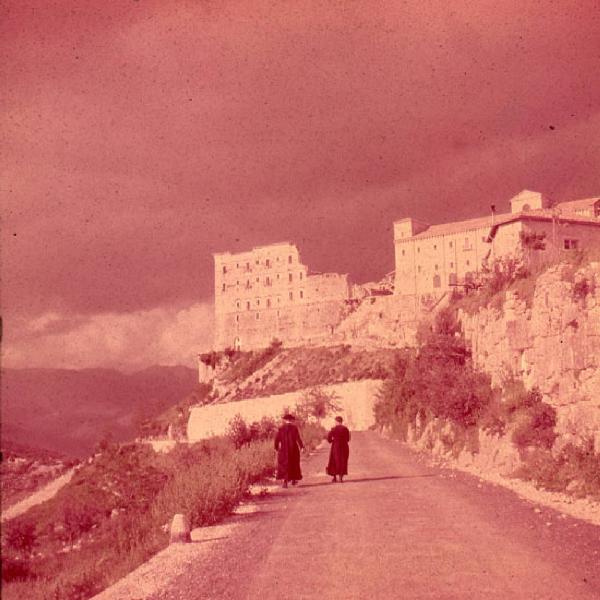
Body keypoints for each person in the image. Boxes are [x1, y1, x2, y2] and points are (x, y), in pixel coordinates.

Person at [274, 413, 304, 488]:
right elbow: (298, 438)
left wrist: (276, 447)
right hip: (293, 449)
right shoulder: (294, 428)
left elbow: (277, 439)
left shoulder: (281, 428)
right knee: (294, 463)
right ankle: (293, 480)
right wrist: (302, 447)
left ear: (285, 420)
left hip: (284, 449)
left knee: (284, 464)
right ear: (291, 420)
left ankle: (285, 482)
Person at [326, 416, 350, 483]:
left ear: (336, 421)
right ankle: (340, 478)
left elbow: (329, 438)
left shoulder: (333, 429)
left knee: (334, 461)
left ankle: (334, 478)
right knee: (343, 461)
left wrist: (332, 440)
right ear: (341, 421)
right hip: (344, 447)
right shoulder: (345, 429)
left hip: (335, 446)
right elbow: (348, 439)